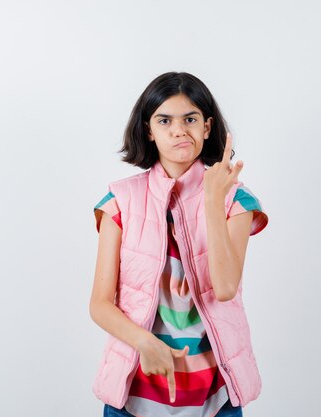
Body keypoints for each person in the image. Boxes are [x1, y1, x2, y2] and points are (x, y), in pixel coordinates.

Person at [89, 72, 268, 417]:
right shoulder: (119, 200)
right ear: (148, 130)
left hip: (215, 399)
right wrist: (145, 343)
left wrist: (213, 202)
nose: (178, 130)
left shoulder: (235, 200)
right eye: (164, 120)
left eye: (190, 119)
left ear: (206, 127)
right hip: (133, 396)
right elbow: (99, 303)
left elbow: (226, 287)